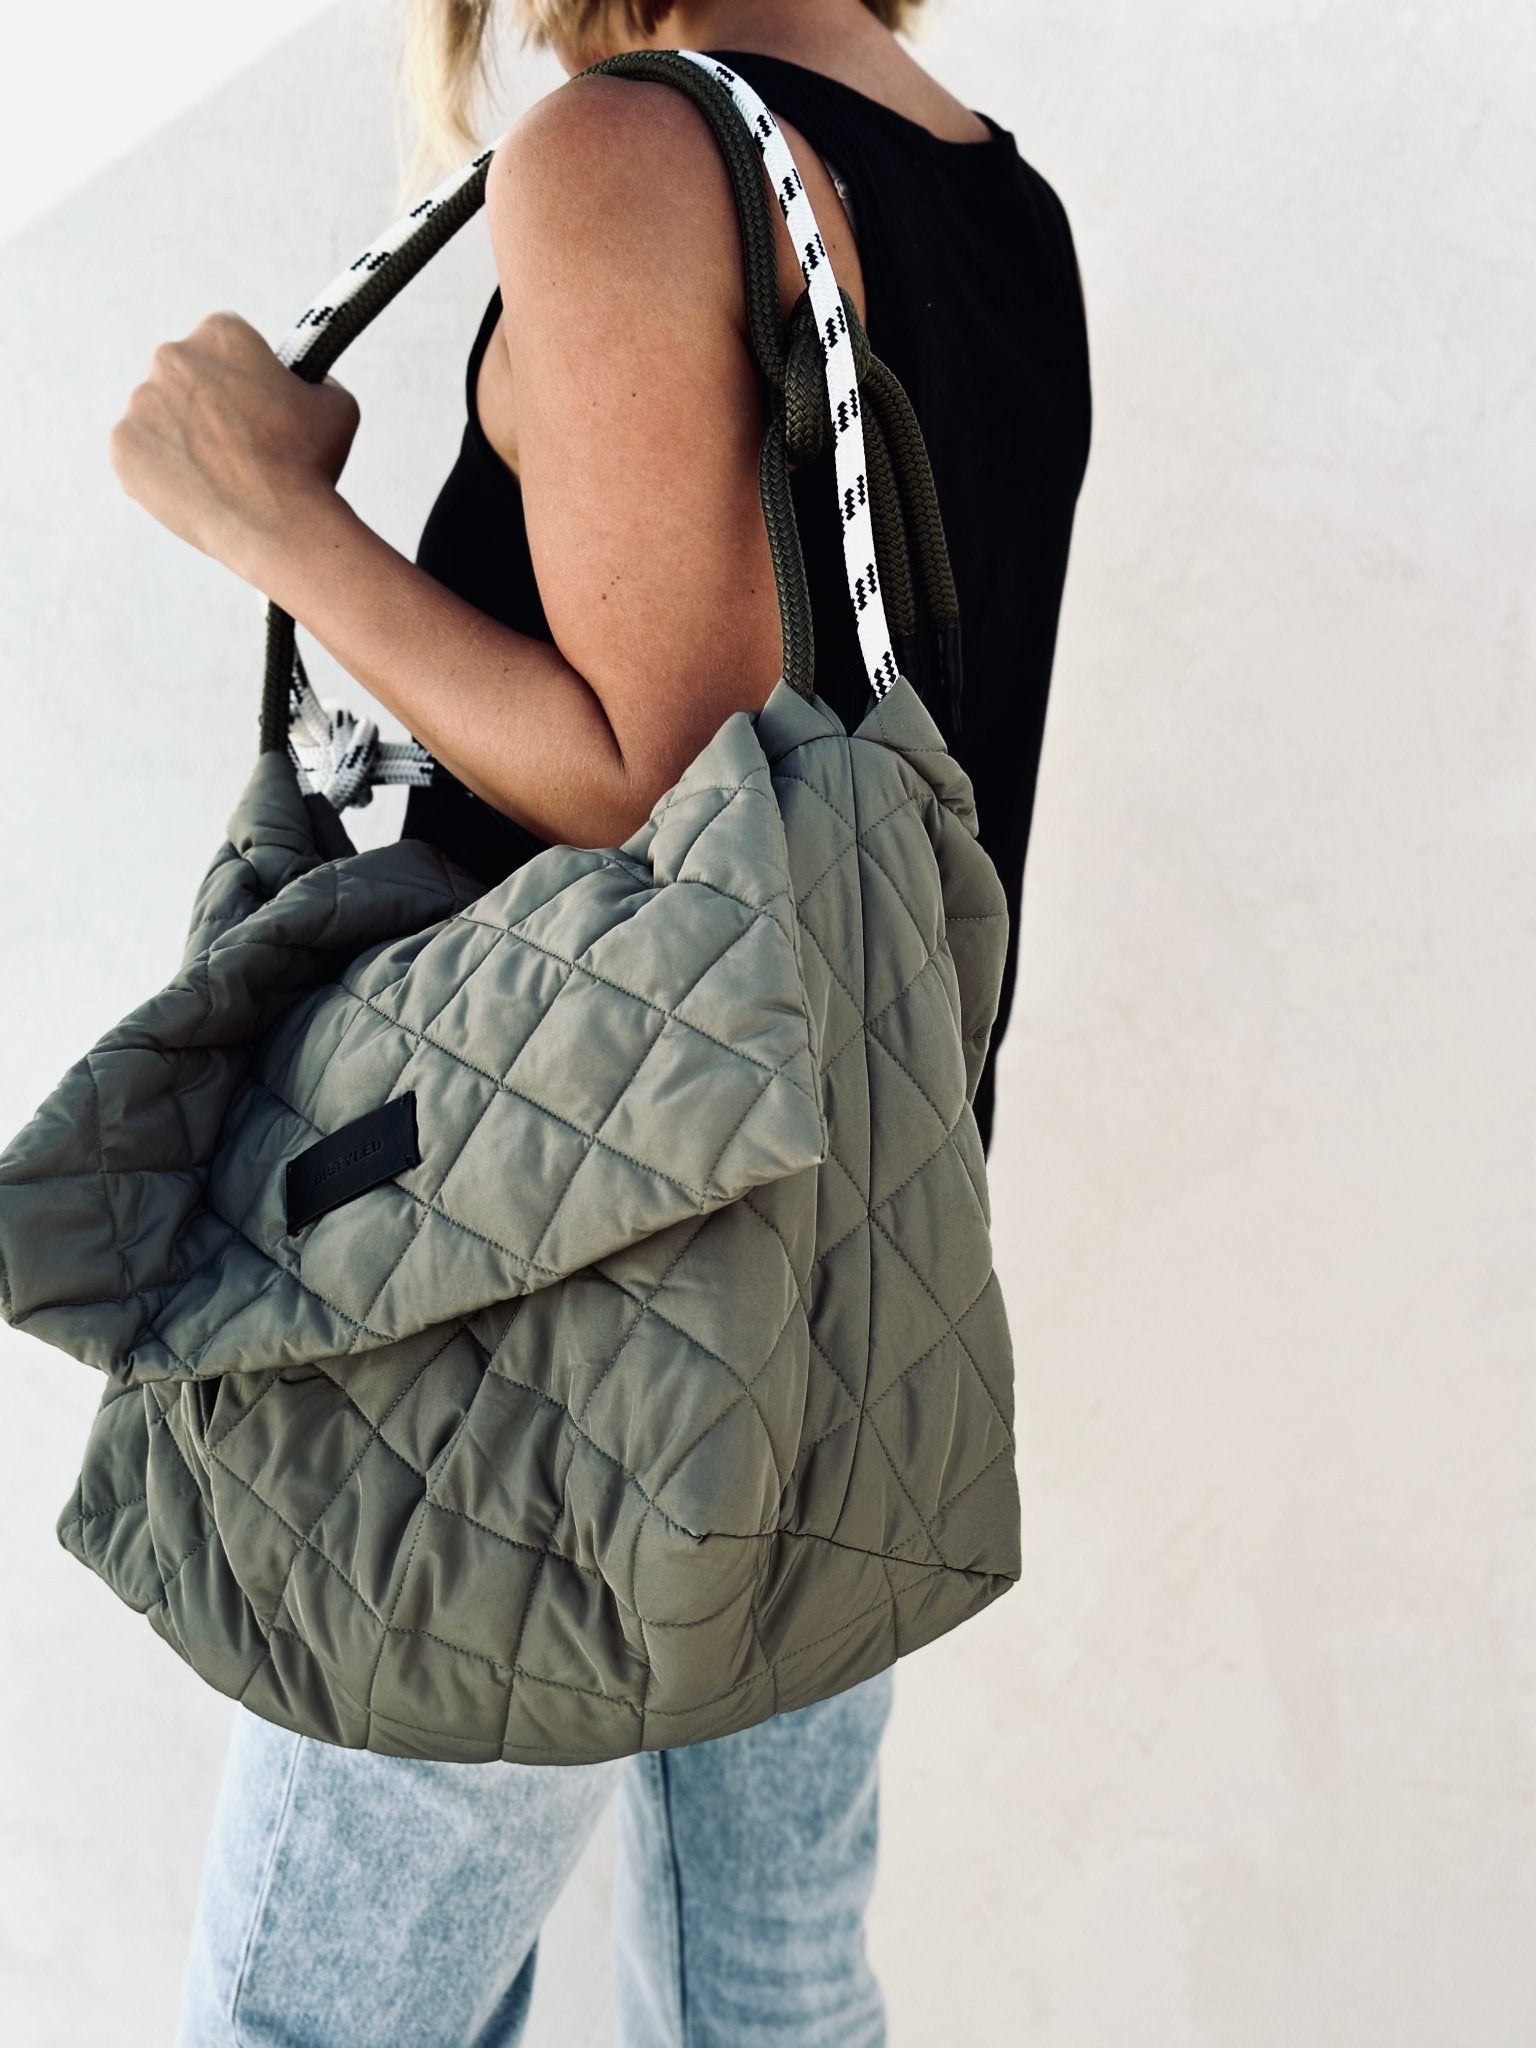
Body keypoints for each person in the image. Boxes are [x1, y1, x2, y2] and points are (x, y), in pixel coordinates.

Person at [107, 2, 1090, 2040]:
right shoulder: (994, 189)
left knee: (312, 2015)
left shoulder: (624, 156)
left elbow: (669, 775)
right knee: (768, 1989)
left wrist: (270, 517)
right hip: (841, 1277)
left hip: (552, 1291)